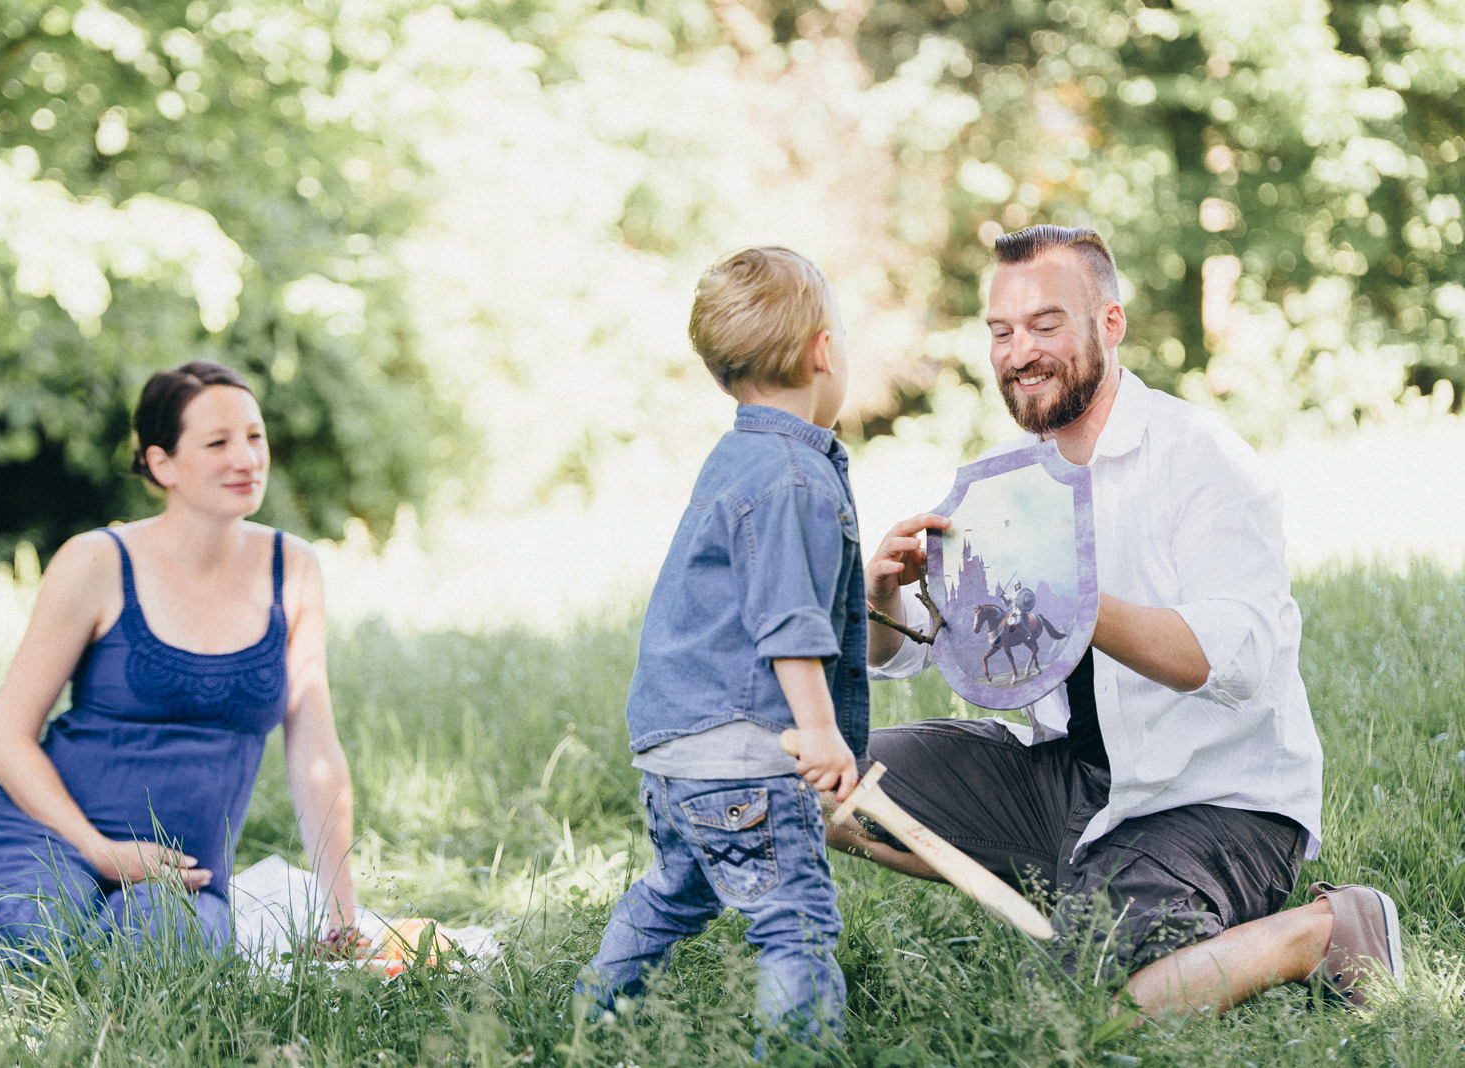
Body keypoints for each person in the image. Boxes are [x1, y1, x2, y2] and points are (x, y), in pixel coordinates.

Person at [837, 225, 1402, 1015]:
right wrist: (884, 598)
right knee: (826, 780)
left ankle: (1320, 929)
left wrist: (1079, 604)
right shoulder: (1006, 484)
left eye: (1045, 325)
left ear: (1109, 323)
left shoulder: (1203, 458)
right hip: (1063, 783)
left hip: (1215, 802)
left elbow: (1232, 659)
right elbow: (910, 656)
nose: (1018, 353)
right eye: (1001, 332)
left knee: (1086, 1011)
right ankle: (1079, 885)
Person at [0, 360, 359, 960]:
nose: (247, 458)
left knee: (159, 957)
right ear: (162, 463)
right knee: (35, 935)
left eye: (254, 436)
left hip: (181, 870)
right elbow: (4, 741)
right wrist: (100, 851)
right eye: (217, 442)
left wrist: (343, 918)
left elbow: (314, 753)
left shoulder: (294, 570)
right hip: (46, 837)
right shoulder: (97, 562)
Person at [575, 247, 867, 1047]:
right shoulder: (794, 477)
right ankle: (802, 1053)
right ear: (822, 351)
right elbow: (786, 623)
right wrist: (817, 729)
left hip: (678, 758)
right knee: (794, 922)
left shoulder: (739, 457)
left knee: (676, 892)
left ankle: (589, 1022)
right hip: (747, 758)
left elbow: (767, 593)